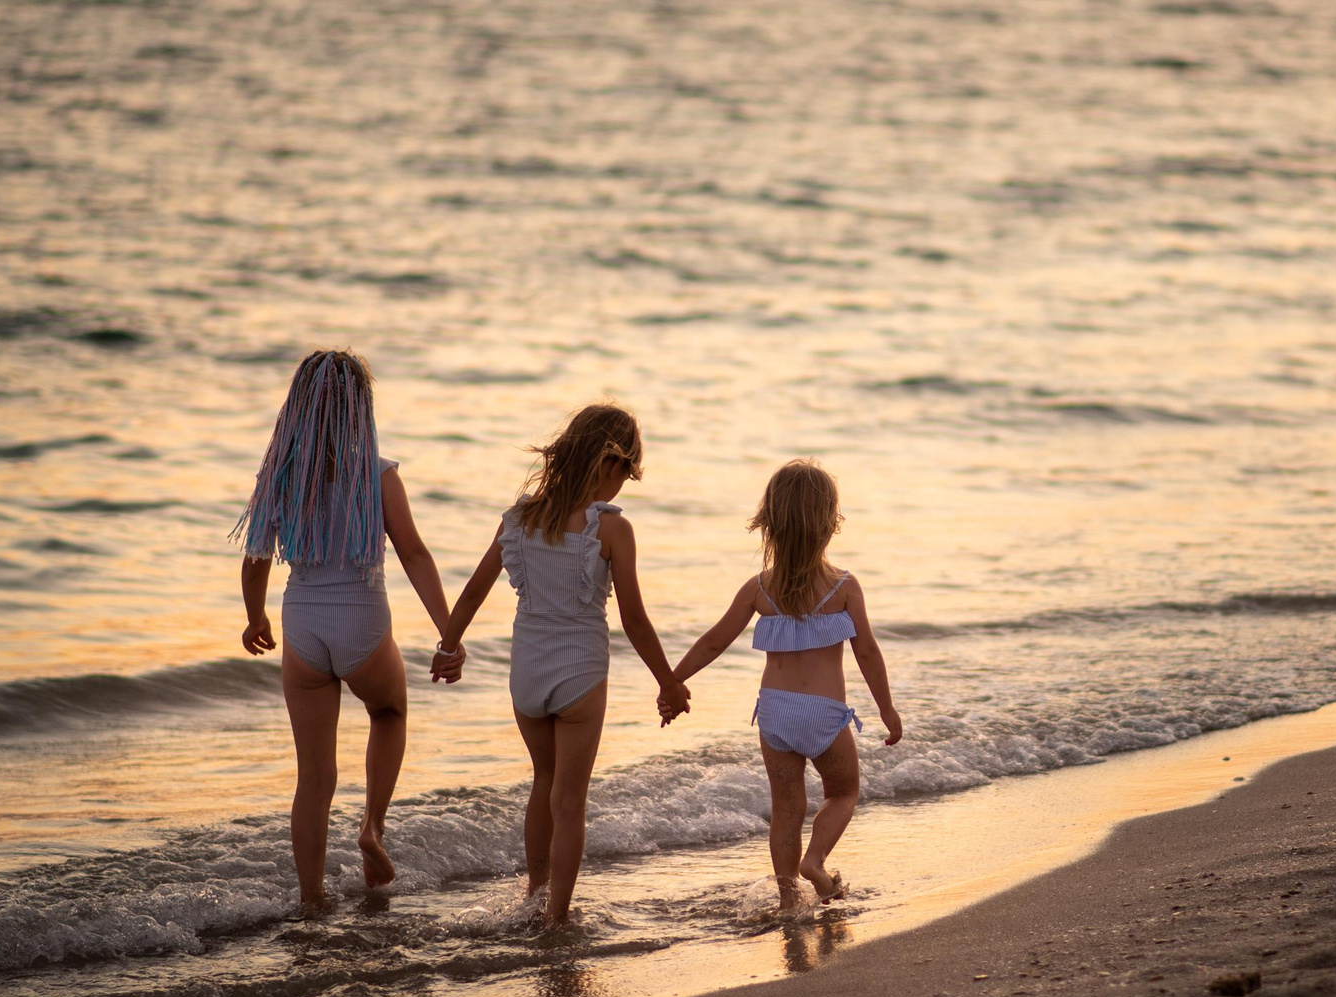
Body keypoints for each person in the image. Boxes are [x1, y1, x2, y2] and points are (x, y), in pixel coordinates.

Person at [435, 404, 687, 928]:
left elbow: (475, 591)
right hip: (579, 672)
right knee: (569, 799)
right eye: (626, 474)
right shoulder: (612, 530)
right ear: (608, 464)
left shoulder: (520, 518)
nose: (623, 487)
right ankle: (556, 916)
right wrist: (668, 680)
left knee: (543, 781)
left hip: (526, 671)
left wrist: (448, 645)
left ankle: (535, 890)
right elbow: (634, 619)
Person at [235, 349, 455, 911]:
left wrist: (254, 615)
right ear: (360, 408)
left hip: (303, 624)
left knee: (314, 779)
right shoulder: (377, 475)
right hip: (362, 619)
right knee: (389, 712)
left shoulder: (280, 478)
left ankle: (312, 900)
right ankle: (372, 828)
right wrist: (448, 633)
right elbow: (414, 553)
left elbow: (256, 555)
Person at [663, 460, 901, 906]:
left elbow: (714, 640)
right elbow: (866, 651)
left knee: (786, 811)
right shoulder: (844, 587)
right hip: (825, 714)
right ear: (830, 524)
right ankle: (815, 862)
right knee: (843, 791)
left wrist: (673, 679)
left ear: (768, 524)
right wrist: (886, 709)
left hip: (774, 714)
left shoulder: (759, 589)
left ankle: (790, 899)